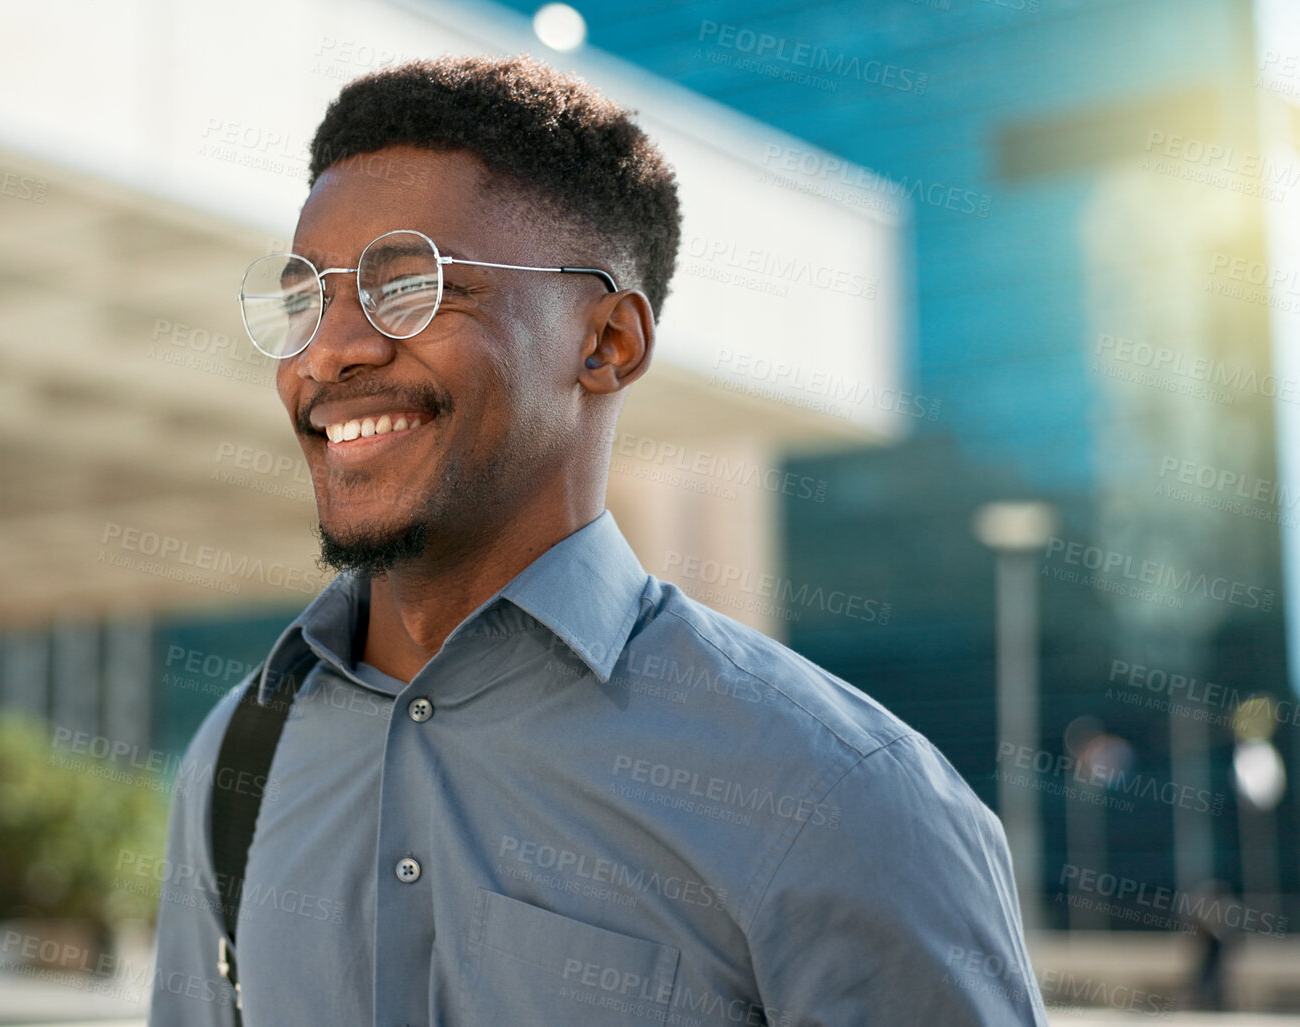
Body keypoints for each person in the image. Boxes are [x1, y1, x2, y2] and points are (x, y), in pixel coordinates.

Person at [147, 53, 1047, 1026]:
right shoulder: (240, 755)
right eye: (306, 297)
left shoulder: (847, 801)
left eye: (408, 285)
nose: (328, 349)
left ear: (608, 341)